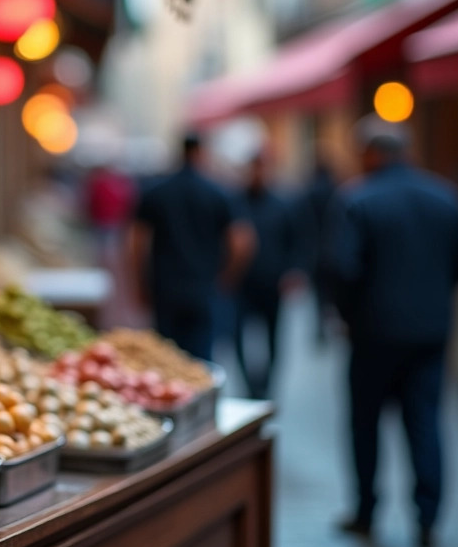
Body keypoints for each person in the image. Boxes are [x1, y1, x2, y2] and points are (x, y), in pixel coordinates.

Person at [325, 117, 458, 547]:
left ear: (370, 152)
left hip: (374, 334)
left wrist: (350, 315)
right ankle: (427, 518)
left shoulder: (357, 198)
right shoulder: (444, 196)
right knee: (425, 422)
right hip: (430, 332)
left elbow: (342, 268)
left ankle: (366, 510)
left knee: (365, 425)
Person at [128, 133, 254, 361]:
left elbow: (136, 244)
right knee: (201, 356)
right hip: (202, 287)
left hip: (165, 287)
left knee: (166, 357)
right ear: (201, 153)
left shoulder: (156, 192)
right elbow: (242, 242)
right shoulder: (218, 193)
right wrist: (227, 278)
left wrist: (140, 283)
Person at [234, 151, 304, 399]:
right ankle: (250, 383)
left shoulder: (283, 204)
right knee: (237, 336)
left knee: (274, 337)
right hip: (241, 283)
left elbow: (297, 241)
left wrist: (294, 271)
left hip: (273, 281)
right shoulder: (235, 202)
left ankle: (266, 384)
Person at [301, 155, 339, 344]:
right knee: (330, 290)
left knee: (318, 293)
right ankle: (330, 318)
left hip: (315, 248)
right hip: (332, 245)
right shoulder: (336, 190)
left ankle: (320, 325)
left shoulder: (310, 191)